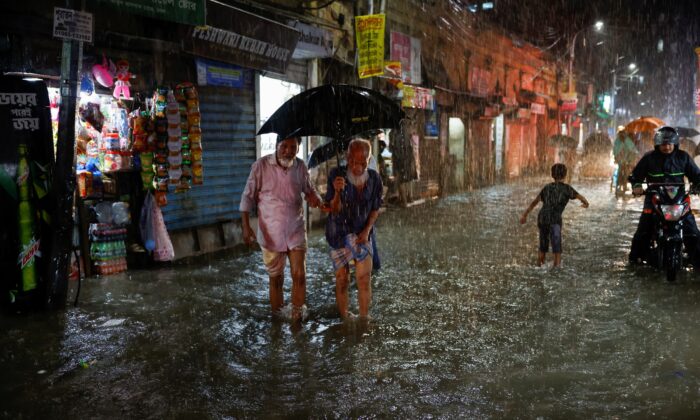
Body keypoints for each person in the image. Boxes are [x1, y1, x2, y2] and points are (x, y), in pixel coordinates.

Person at [239, 136, 325, 321]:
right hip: (271, 232)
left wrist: (315, 198)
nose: (288, 151)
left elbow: (309, 190)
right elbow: (247, 197)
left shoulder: (300, 167)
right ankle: (277, 322)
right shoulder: (260, 166)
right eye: (284, 146)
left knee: (299, 274)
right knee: (276, 279)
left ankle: (297, 320)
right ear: (277, 145)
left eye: (293, 147)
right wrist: (246, 227)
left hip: (295, 229)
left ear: (298, 147)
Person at [325, 138, 383, 319]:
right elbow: (333, 209)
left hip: (362, 233)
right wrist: (336, 192)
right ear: (347, 158)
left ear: (369, 160)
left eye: (362, 162)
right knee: (342, 279)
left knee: (364, 279)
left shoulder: (374, 179)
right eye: (352, 161)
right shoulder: (336, 175)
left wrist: (366, 231)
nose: (357, 166)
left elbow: (375, 208)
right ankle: (344, 318)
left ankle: (364, 319)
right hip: (339, 234)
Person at [628, 126, 700, 265]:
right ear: (657, 144)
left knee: (693, 232)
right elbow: (636, 176)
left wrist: (698, 185)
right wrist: (636, 186)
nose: (666, 147)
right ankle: (635, 259)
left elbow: (696, 175)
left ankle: (697, 261)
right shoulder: (649, 158)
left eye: (669, 144)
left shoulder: (683, 157)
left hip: (679, 201)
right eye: (663, 144)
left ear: (675, 144)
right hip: (654, 200)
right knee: (642, 232)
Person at [520, 163, 589, 267]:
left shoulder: (547, 187)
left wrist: (525, 215)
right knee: (557, 248)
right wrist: (586, 203)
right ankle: (556, 269)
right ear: (565, 175)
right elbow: (581, 198)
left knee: (543, 245)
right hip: (555, 220)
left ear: (552, 175)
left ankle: (540, 265)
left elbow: (535, 202)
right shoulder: (567, 189)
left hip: (542, 218)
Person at [613, 127, 638, 193]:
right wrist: (617, 157)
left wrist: (631, 158)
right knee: (620, 171)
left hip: (627, 160)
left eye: (623, 133)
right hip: (620, 160)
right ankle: (618, 185)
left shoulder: (627, 140)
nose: (622, 135)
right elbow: (615, 151)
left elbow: (633, 150)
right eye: (620, 134)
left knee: (626, 173)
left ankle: (625, 185)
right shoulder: (618, 141)